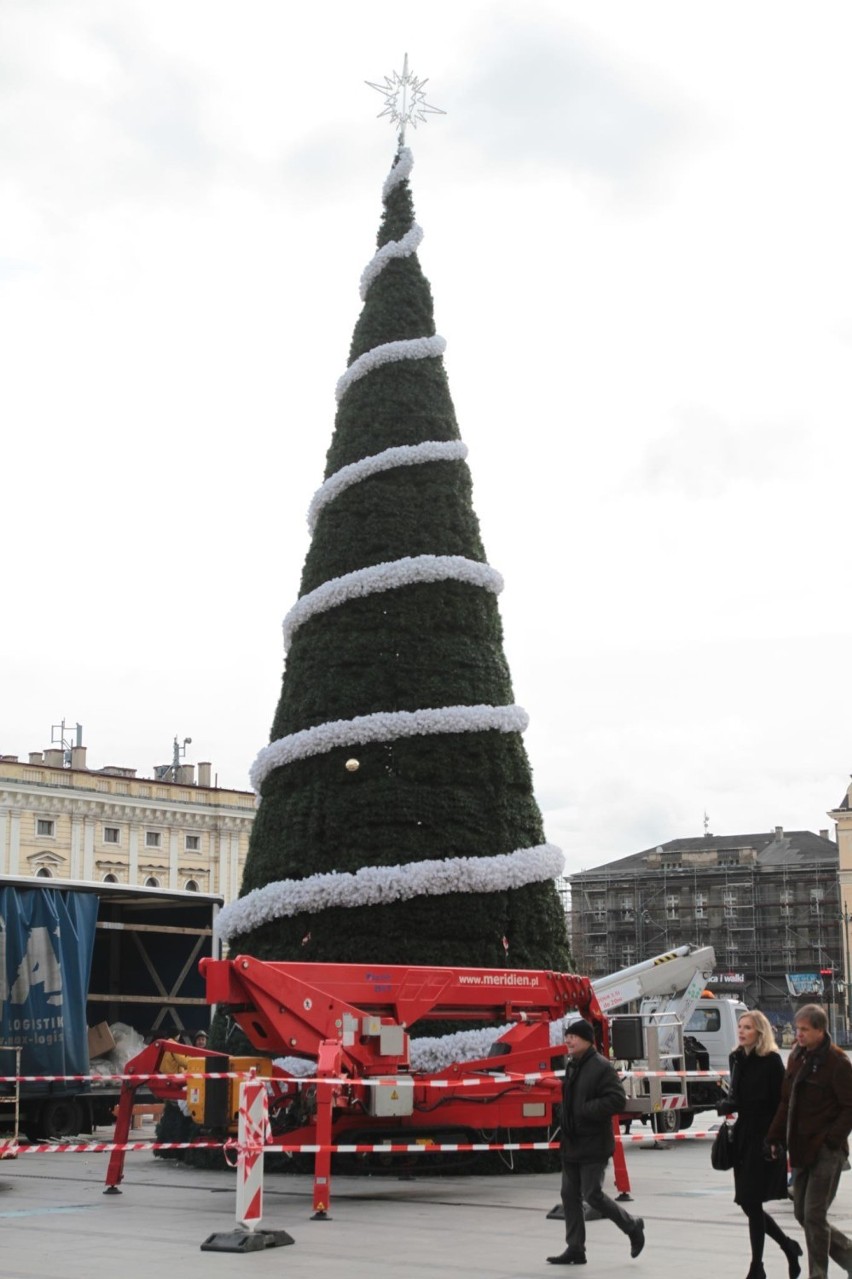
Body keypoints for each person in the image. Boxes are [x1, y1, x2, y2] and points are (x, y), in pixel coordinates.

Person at [548, 1017, 645, 1266]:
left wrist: (585, 1110)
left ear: (587, 1040)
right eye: (567, 1036)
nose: (568, 1040)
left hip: (593, 1142)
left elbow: (616, 1099)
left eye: (573, 1036)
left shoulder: (601, 1066)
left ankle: (632, 1226)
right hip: (572, 1142)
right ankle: (575, 1249)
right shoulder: (573, 1065)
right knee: (569, 1195)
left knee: (592, 1195)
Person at [767, 1003, 852, 1279]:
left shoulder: (837, 1063)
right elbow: (785, 1101)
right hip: (801, 1149)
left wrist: (833, 1139)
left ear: (820, 1030)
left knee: (814, 1215)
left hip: (827, 1151)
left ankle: (818, 1275)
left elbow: (850, 1106)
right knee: (802, 1214)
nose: (798, 1034)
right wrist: (775, 1136)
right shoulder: (796, 1057)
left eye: (804, 1030)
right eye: (798, 1028)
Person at [720, 1010, 802, 1279]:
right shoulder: (736, 1059)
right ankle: (788, 1247)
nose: (741, 1031)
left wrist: (776, 1139)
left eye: (748, 1028)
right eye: (740, 1026)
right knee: (748, 1203)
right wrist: (728, 1105)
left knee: (751, 1201)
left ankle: (757, 1267)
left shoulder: (771, 1061)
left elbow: (782, 1103)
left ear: (760, 1032)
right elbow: (739, 1096)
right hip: (743, 1135)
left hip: (765, 1135)